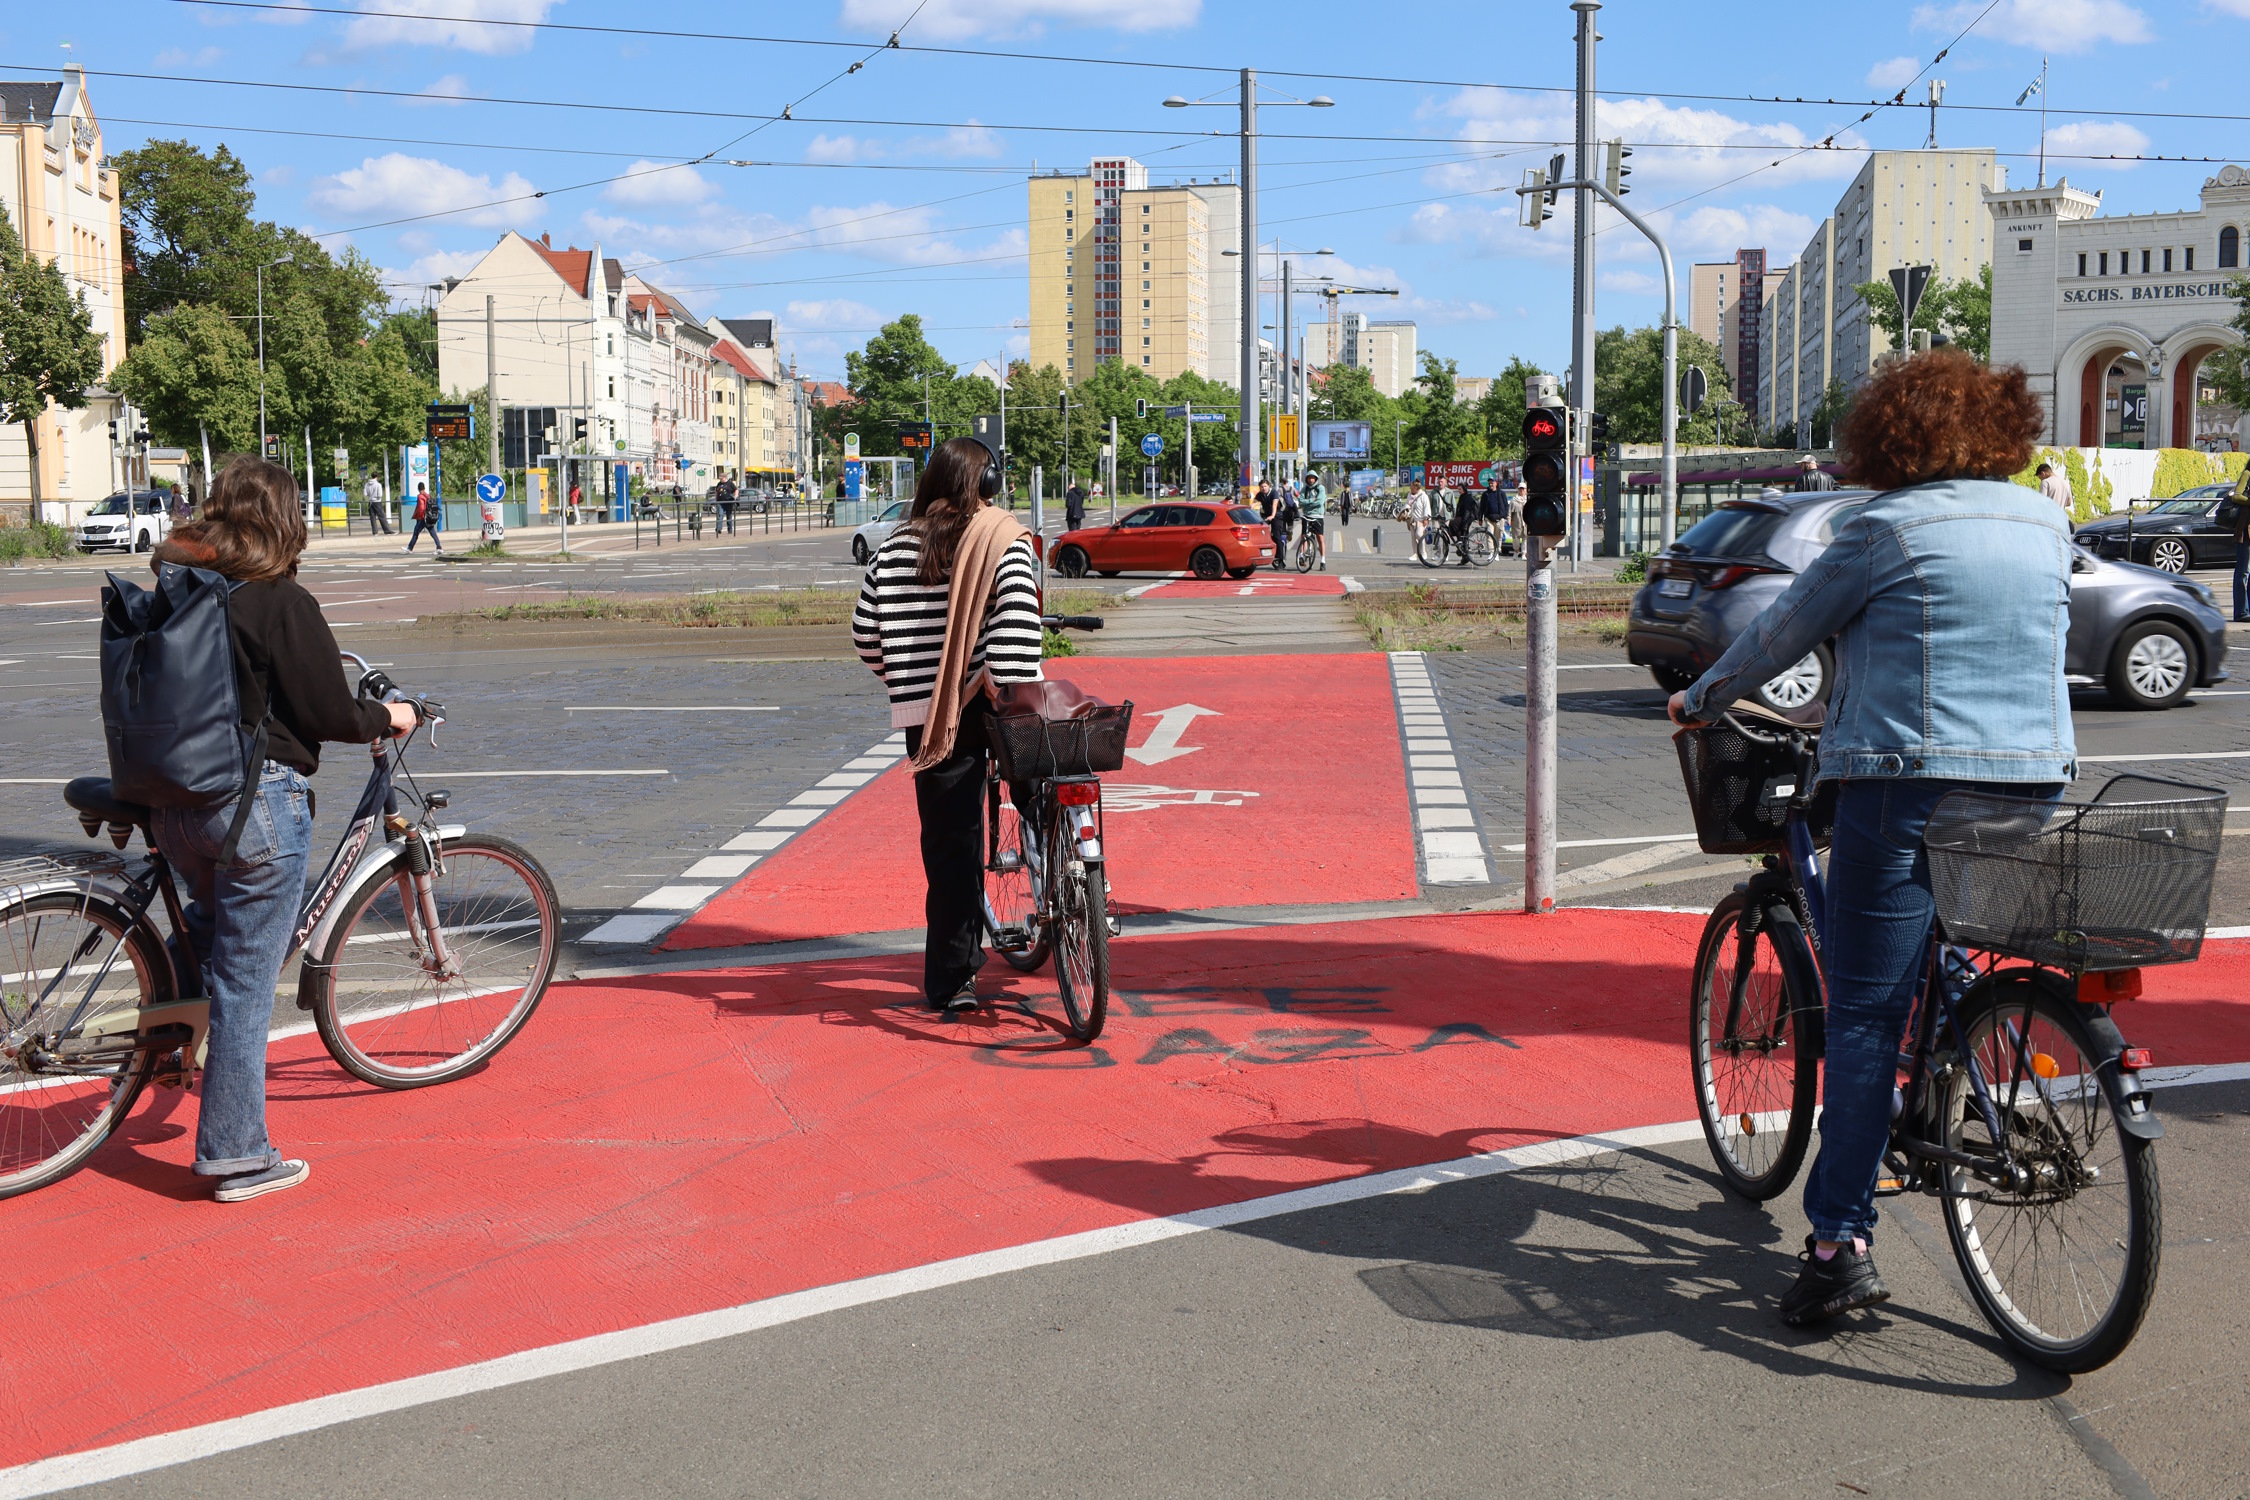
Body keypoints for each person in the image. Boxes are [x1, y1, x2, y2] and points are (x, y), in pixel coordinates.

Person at [1668, 349, 2074, 1330]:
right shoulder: (2042, 517)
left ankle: (1837, 1246)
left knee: (1857, 1020)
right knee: (1947, 943)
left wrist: (1701, 698)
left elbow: (1782, 634)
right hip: (2033, 777)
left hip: (1905, 783)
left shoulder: (1880, 527)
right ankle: (1953, 1061)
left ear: (1889, 435)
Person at [146, 460, 417, 1201]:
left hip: (176, 805)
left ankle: (161, 1035)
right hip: (255, 808)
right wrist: (391, 717)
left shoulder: (183, 586)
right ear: (285, 521)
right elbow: (330, 713)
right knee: (244, 983)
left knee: (205, 928)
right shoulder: (279, 601)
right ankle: (236, 1155)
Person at [851, 438, 1044, 1011]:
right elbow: (1016, 618)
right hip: (999, 702)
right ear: (986, 486)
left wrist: (917, 682)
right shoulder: (1002, 538)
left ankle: (953, 979)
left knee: (951, 847)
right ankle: (1066, 878)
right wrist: (997, 679)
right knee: (1042, 789)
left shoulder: (893, 549)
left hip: (933, 716)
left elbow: (866, 634)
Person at [2231, 468, 2250, 621]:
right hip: (2246, 531)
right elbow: (2236, 496)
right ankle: (2241, 612)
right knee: (2243, 572)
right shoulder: (2247, 474)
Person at [1299, 470, 1329, 570]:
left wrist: (1307, 503)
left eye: (1313, 478)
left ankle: (1323, 560)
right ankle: (1302, 555)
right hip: (1307, 515)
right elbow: (1300, 501)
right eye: (1309, 478)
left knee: (1320, 538)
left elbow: (1320, 502)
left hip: (1318, 516)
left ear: (1315, 479)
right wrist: (1312, 500)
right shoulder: (1305, 489)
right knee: (1304, 536)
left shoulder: (1320, 488)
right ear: (1307, 479)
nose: (1311, 480)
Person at [405, 484, 443, 553]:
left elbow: (421, 508)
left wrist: (420, 517)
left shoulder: (420, 496)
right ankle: (439, 547)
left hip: (422, 518)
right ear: (424, 488)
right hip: (429, 518)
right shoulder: (428, 496)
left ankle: (410, 548)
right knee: (433, 533)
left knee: (416, 533)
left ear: (418, 489)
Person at [360, 470, 392, 535]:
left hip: (370, 502)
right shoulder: (378, 484)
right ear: (377, 477)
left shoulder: (367, 484)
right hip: (377, 502)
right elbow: (380, 495)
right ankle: (387, 530)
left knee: (372, 518)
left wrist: (370, 495)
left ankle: (375, 532)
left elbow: (365, 494)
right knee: (382, 517)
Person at [1408, 482, 1435, 553]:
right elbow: (1407, 505)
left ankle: (1423, 552)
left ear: (1415, 488)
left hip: (1421, 520)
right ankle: (1415, 553)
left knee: (1419, 534)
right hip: (1411, 520)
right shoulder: (1409, 495)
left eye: (1411, 487)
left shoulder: (1423, 496)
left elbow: (1427, 507)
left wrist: (1426, 518)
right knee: (1413, 537)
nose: (1410, 488)